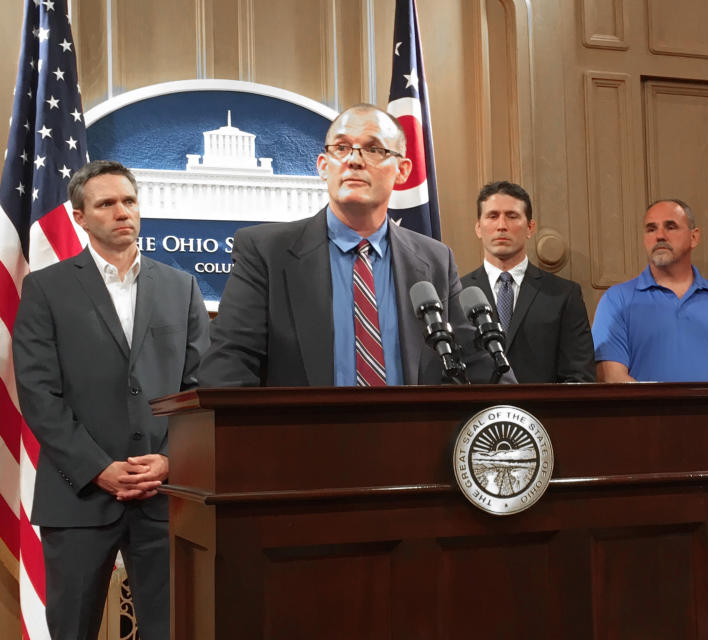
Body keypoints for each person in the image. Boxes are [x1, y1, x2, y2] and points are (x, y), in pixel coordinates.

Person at [12, 160, 210, 640]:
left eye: (129, 201)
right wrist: (98, 467)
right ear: (80, 217)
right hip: (79, 496)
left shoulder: (180, 287)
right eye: (106, 204)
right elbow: (39, 394)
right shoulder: (46, 289)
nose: (122, 212)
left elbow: (201, 388)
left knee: (174, 630)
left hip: (166, 496)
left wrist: (167, 461)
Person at [199, 104, 509, 387]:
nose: (354, 160)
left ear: (402, 171)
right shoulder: (266, 252)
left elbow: (477, 365)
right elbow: (228, 366)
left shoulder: (434, 260)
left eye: (374, 149)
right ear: (323, 166)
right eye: (342, 148)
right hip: (301, 443)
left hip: (411, 442)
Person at [591, 198, 708, 586]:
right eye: (651, 228)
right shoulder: (618, 300)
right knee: (651, 588)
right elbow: (613, 378)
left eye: (671, 226)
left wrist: (697, 417)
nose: (659, 236)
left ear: (694, 236)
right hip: (644, 471)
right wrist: (685, 416)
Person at [460, 181, 595, 383]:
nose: (502, 226)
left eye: (512, 216)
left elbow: (579, 376)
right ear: (479, 228)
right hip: (476, 413)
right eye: (493, 216)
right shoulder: (458, 293)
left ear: (530, 227)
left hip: (543, 413)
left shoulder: (563, 294)